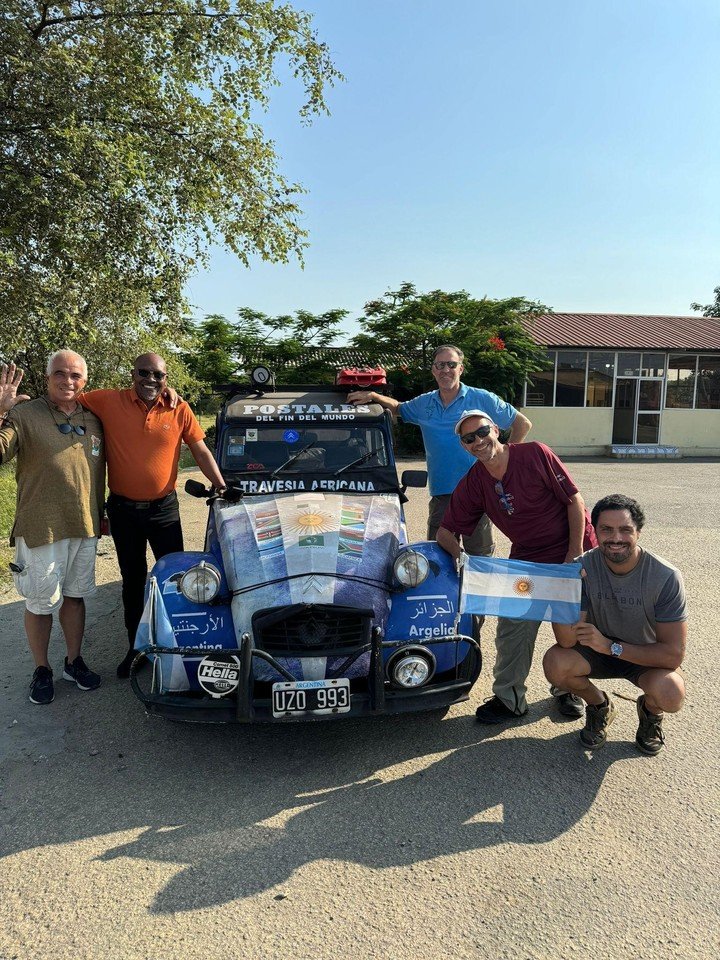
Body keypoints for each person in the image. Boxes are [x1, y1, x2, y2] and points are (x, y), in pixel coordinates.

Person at [436, 412, 596, 723]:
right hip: (527, 558)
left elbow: (574, 501)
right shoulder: (474, 481)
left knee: (571, 630)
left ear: (495, 430)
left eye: (482, 432)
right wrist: (462, 559)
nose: (478, 441)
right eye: (468, 438)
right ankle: (509, 698)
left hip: (571, 551)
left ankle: (568, 689)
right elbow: (446, 531)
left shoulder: (535, 453)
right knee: (512, 626)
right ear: (464, 446)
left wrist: (574, 556)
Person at [79, 353, 226, 678]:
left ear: (165, 378)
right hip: (124, 511)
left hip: (164, 511)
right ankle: (137, 649)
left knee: (174, 580)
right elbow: (68, 396)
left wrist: (220, 484)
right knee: (133, 582)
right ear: (132, 374)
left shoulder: (179, 408)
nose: (150, 380)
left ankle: (178, 644)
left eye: (158, 375)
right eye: (144, 373)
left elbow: (200, 449)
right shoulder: (108, 401)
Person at [348, 345, 532, 554]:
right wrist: (374, 395)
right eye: (440, 365)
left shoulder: (482, 399)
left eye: (452, 365)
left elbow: (522, 424)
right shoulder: (425, 403)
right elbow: (399, 408)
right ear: (434, 370)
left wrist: (505, 460)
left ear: (460, 369)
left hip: (478, 491)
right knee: (438, 556)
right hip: (442, 493)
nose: (446, 370)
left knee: (479, 560)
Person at [543, 494, 686, 755]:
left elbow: (672, 655)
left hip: (643, 654)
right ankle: (599, 705)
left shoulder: (665, 577)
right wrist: (564, 593)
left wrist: (611, 646)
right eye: (606, 530)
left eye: (625, 529)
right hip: (595, 650)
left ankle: (650, 713)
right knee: (556, 663)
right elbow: (566, 641)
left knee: (671, 693)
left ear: (638, 532)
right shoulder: (581, 568)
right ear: (595, 531)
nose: (616, 538)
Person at [0, 353, 104, 704]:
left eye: (75, 375)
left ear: (84, 380)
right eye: (59, 373)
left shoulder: (94, 418)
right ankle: (41, 669)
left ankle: (73, 662)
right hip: (41, 527)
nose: (67, 380)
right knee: (41, 602)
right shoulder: (24, 415)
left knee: (75, 597)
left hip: (84, 525)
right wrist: (0, 411)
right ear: (47, 378)